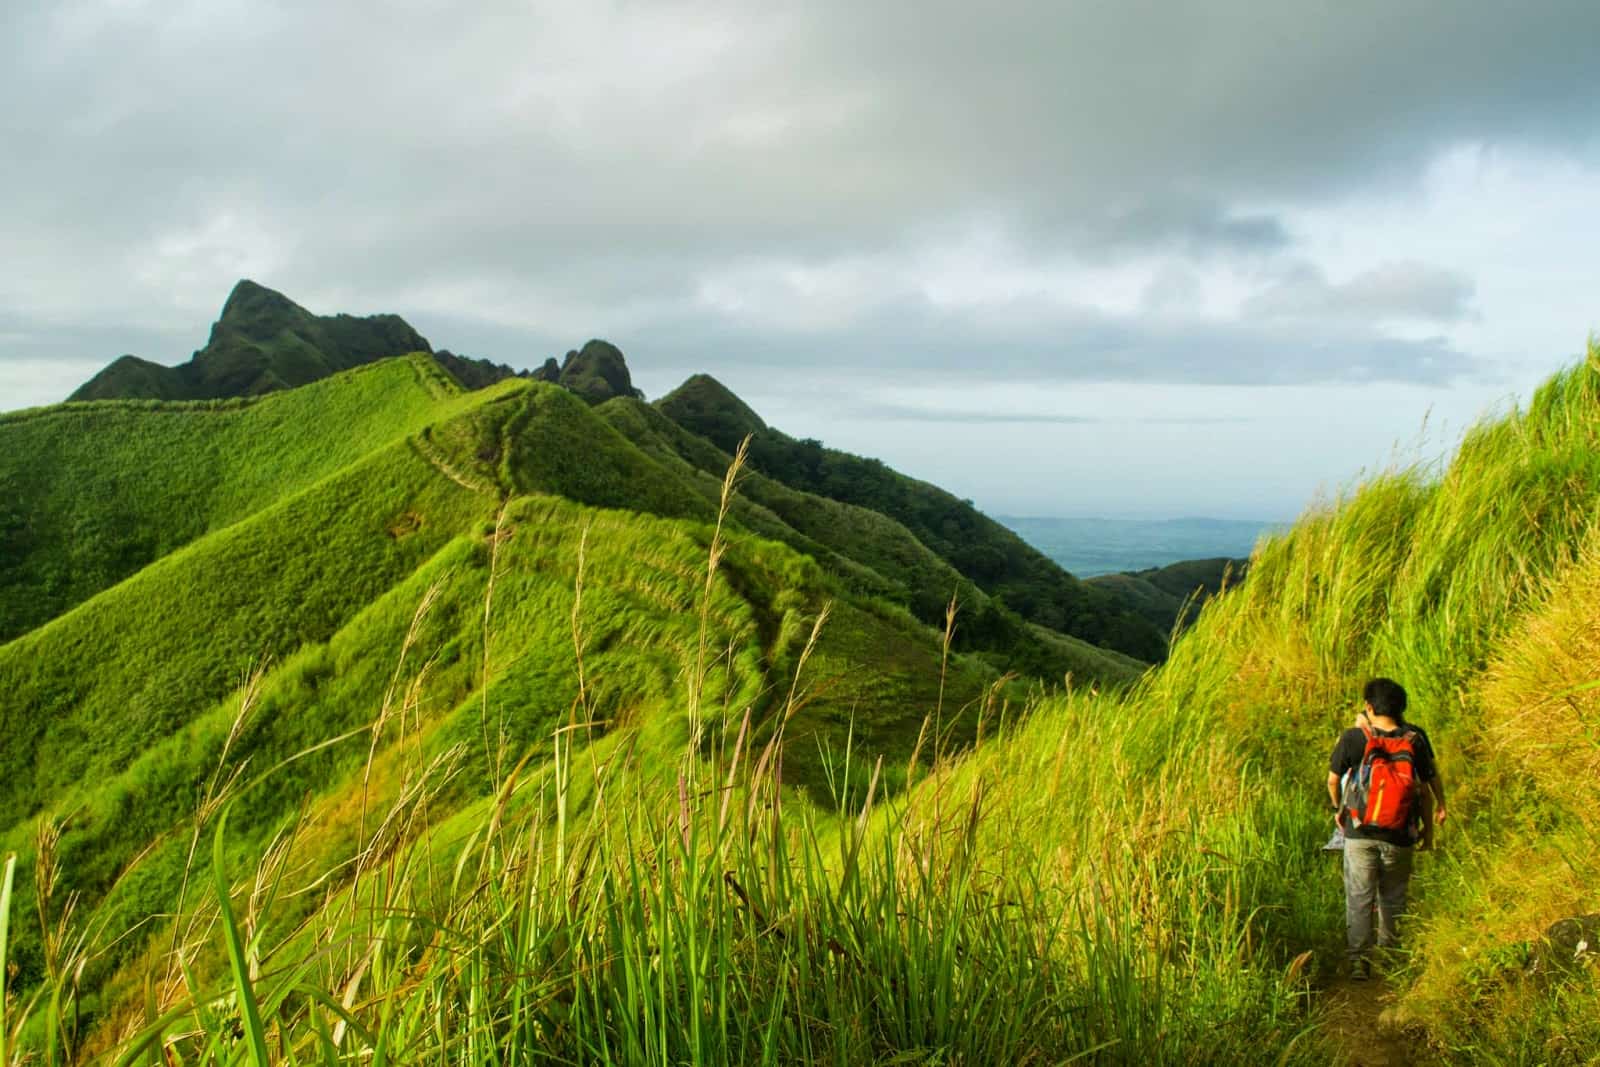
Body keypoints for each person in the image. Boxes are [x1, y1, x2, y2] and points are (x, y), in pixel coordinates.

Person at [1326, 678, 1447, 979]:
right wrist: (1431, 828)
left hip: (1360, 833)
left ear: (1369, 706)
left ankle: (1358, 962)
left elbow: (1332, 780)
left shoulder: (1354, 737)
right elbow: (1427, 788)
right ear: (1401, 707)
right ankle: (1390, 958)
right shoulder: (1415, 738)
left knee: (1359, 896)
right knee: (1393, 896)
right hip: (1400, 833)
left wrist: (1338, 809)